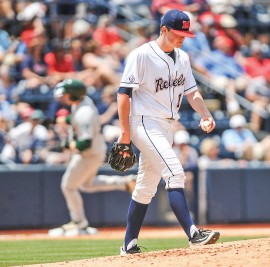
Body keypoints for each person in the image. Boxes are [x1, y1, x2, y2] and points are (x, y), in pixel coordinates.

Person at [116, 9, 220, 255]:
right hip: (144, 122)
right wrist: (124, 134)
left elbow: (191, 92)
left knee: (145, 186)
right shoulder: (141, 55)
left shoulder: (182, 57)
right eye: (178, 32)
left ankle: (128, 245)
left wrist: (205, 113)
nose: (182, 37)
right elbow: (123, 94)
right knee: (175, 173)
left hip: (167, 125)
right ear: (163, 29)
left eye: (185, 32)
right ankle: (194, 234)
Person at [48, 79, 136, 236]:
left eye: (66, 94)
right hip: (95, 151)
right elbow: (76, 118)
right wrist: (66, 120)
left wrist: (68, 145)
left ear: (74, 95)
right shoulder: (83, 102)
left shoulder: (85, 113)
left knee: (68, 186)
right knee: (86, 185)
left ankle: (79, 223)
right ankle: (124, 182)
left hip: (89, 154)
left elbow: (84, 144)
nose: (63, 97)